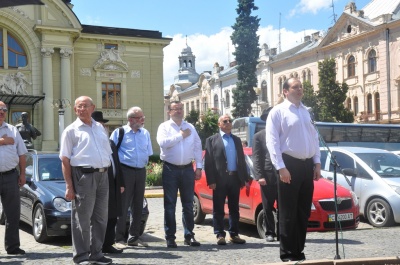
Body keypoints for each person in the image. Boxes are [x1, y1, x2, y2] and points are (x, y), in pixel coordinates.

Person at [265, 78, 321, 262]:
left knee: (303, 211)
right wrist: (281, 167)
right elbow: (272, 142)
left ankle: (299, 250)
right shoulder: (278, 112)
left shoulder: (306, 112)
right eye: (295, 87)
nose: (299, 90)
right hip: (288, 164)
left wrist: (317, 162)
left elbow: (315, 138)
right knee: (288, 212)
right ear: (285, 91)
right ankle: (287, 252)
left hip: (307, 165)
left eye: (301, 87)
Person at [59, 96, 112, 265]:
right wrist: (69, 186)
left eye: (84, 106)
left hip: (103, 175)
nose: (81, 109)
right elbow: (65, 159)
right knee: (81, 218)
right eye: (78, 107)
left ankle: (96, 253)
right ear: (75, 110)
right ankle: (81, 256)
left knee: (101, 217)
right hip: (84, 176)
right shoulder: (71, 130)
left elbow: (107, 152)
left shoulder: (100, 128)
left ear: (92, 108)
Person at [156, 101, 202, 248]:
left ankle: (189, 235)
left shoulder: (190, 127)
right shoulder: (164, 127)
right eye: (176, 109)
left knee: (188, 204)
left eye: (181, 109)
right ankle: (170, 237)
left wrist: (199, 167)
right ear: (169, 111)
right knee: (170, 205)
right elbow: (163, 143)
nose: (179, 111)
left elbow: (197, 146)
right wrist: (180, 136)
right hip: (170, 169)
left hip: (188, 169)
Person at [110, 106, 153, 248]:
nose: (142, 120)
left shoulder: (145, 133)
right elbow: (111, 153)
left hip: (140, 171)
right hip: (125, 171)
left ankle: (134, 237)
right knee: (123, 205)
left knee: (138, 205)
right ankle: (119, 238)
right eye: (140, 117)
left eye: (143, 117)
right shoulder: (119, 132)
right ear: (130, 119)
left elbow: (148, 152)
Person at [204, 114, 249, 245]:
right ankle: (219, 234)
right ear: (219, 124)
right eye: (225, 121)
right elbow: (209, 162)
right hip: (219, 180)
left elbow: (241, 160)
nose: (228, 123)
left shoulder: (236, 140)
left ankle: (234, 234)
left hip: (234, 178)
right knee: (218, 208)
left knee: (234, 208)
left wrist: (244, 178)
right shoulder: (212, 140)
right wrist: (211, 180)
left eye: (230, 121)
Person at [91, 111, 125, 254]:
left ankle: (108, 244)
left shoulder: (110, 142)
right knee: (99, 217)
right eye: (100, 124)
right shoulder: (92, 141)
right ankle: (96, 246)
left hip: (114, 184)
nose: (103, 126)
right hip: (100, 182)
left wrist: (121, 182)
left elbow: (117, 163)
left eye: (104, 124)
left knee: (112, 216)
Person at [0, 101, 27, 255]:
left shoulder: (12, 130)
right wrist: (2, 141)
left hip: (11, 175)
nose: (2, 112)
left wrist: (22, 173)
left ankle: (13, 247)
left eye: (4, 109)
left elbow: (21, 154)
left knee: (13, 213)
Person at [252, 107, 278, 242]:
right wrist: (259, 176)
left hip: (283, 175)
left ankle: (284, 232)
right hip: (267, 176)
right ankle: (270, 232)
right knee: (267, 206)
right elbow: (256, 158)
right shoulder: (259, 136)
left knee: (285, 206)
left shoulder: (282, 133)